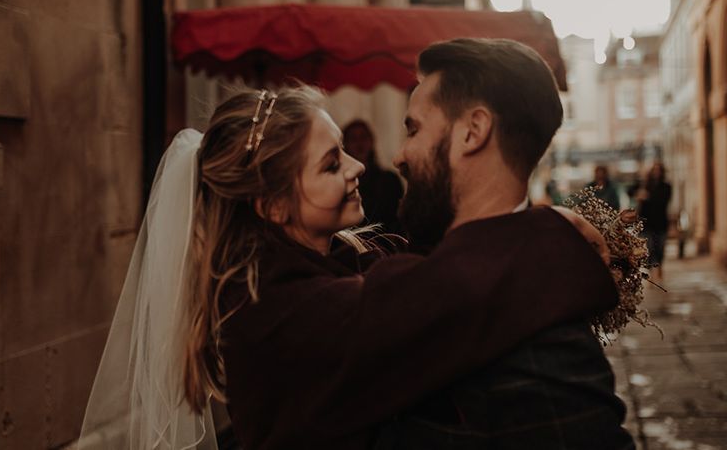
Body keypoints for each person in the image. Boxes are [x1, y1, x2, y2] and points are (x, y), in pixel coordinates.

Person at [79, 84, 618, 450]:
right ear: (272, 205)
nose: (360, 167)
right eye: (332, 163)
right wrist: (548, 233)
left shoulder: (341, 258)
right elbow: (433, 298)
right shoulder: (267, 308)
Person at [373, 38, 634, 448]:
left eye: (414, 129)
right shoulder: (495, 269)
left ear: (472, 131)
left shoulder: (541, 330)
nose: (399, 156)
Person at [342, 119, 404, 234]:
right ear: (345, 144)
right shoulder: (341, 183)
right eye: (353, 139)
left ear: (371, 141)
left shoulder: (389, 180)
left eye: (363, 137)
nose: (359, 143)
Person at [637, 161, 672, 280]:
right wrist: (639, 195)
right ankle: (652, 272)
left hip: (661, 222)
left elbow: (663, 201)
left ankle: (660, 267)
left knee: (660, 248)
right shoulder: (645, 185)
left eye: (659, 170)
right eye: (654, 170)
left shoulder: (666, 186)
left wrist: (647, 197)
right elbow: (630, 190)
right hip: (647, 223)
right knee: (650, 248)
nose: (656, 172)